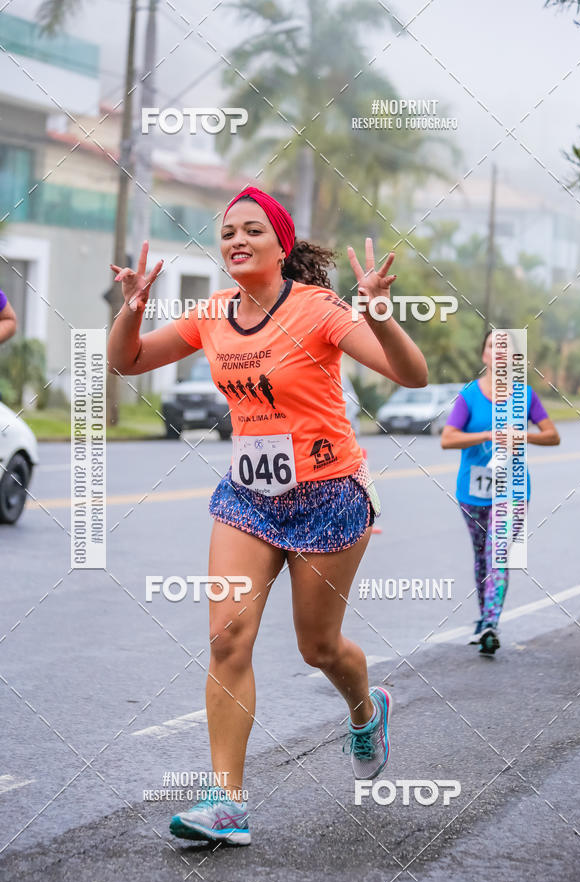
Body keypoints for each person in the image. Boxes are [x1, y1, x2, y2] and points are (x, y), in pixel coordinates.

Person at [107, 186, 428, 846]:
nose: (236, 240)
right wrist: (131, 311)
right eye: (227, 232)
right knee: (228, 638)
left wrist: (382, 317)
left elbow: (412, 376)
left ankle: (367, 710)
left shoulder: (318, 309)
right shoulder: (212, 314)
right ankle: (225, 802)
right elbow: (128, 360)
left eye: (252, 230)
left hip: (329, 499)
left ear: (281, 246)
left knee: (320, 648)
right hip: (248, 500)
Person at [440, 329, 560, 655]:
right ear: (484, 355)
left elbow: (552, 435)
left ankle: (491, 623)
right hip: (472, 489)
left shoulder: (526, 396)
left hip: (514, 487)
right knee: (483, 558)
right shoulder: (469, 396)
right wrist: (489, 435)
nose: (500, 352)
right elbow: (447, 438)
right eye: (494, 345)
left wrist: (522, 437)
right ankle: (484, 619)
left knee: (499, 556)